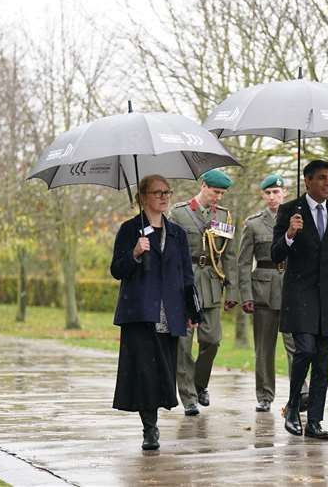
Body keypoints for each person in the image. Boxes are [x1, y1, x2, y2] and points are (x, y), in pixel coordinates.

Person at [271, 160, 328, 440]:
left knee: (322, 361)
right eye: (321, 178)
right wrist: (290, 233)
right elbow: (275, 254)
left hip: (327, 298)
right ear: (307, 181)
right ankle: (293, 407)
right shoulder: (290, 211)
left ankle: (314, 422)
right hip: (299, 295)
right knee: (306, 350)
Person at [110, 174, 200, 451]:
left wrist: (191, 310)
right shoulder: (129, 230)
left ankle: (154, 418)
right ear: (142, 197)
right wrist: (135, 253)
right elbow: (117, 270)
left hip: (169, 312)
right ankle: (150, 428)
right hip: (140, 312)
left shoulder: (177, 233)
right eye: (157, 192)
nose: (164, 196)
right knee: (144, 371)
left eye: (167, 192)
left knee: (162, 370)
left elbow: (186, 274)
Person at [169, 169, 238, 416]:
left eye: (222, 193)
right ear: (203, 186)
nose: (218, 197)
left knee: (212, 340)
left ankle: (199, 385)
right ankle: (188, 397)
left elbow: (229, 255)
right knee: (184, 345)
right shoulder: (179, 213)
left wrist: (233, 289)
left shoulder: (225, 217)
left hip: (210, 281)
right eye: (215, 191)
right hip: (184, 283)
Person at [238, 174, 308, 413]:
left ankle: (300, 392)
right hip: (263, 290)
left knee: (296, 345)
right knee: (264, 347)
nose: (272, 197)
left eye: (276, 192)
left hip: (292, 288)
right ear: (262, 195)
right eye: (268, 193)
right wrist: (245, 294)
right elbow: (243, 262)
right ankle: (265, 395)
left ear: (285, 193)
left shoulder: (300, 219)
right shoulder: (254, 223)